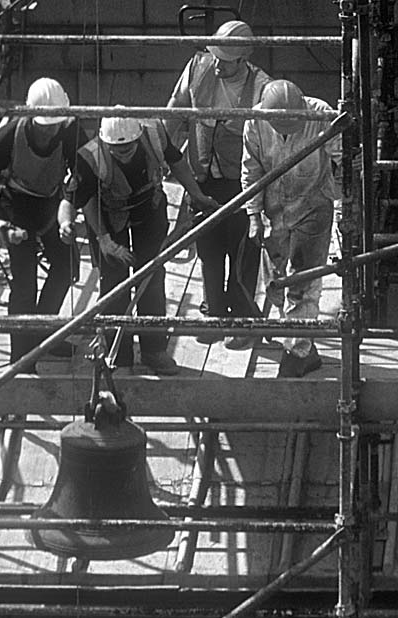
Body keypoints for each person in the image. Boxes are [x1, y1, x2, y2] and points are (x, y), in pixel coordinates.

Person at [58, 113, 218, 375]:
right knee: (115, 285)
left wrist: (197, 194)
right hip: (109, 217)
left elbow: (176, 162)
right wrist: (89, 234)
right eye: (116, 149)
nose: (122, 153)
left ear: (138, 137)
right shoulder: (90, 158)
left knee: (152, 278)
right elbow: (73, 200)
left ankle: (154, 350)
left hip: (148, 208)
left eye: (128, 148)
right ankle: (118, 356)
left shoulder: (154, 132)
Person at [165, 20, 271, 349]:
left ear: (242, 60)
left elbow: (268, 140)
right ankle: (215, 315)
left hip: (241, 182)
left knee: (241, 251)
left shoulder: (260, 86)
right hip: (203, 178)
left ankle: (241, 319)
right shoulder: (198, 68)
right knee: (209, 249)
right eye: (215, 55)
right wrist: (162, 154)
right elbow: (176, 112)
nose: (217, 63)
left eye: (224, 60)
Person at [0, 77, 88, 372]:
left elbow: (88, 168)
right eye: (44, 124)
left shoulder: (70, 131)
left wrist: (72, 207)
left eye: (55, 123)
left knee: (67, 266)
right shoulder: (9, 135)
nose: (49, 130)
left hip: (52, 204)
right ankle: (22, 359)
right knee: (24, 285)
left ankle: (43, 335)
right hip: (17, 207)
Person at [241, 79, 341, 377]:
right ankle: (295, 333)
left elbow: (344, 157)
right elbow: (252, 169)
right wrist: (254, 214)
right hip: (275, 210)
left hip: (313, 204)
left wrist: (343, 187)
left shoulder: (320, 115)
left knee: (302, 282)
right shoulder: (256, 123)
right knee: (274, 281)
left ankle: (299, 352)